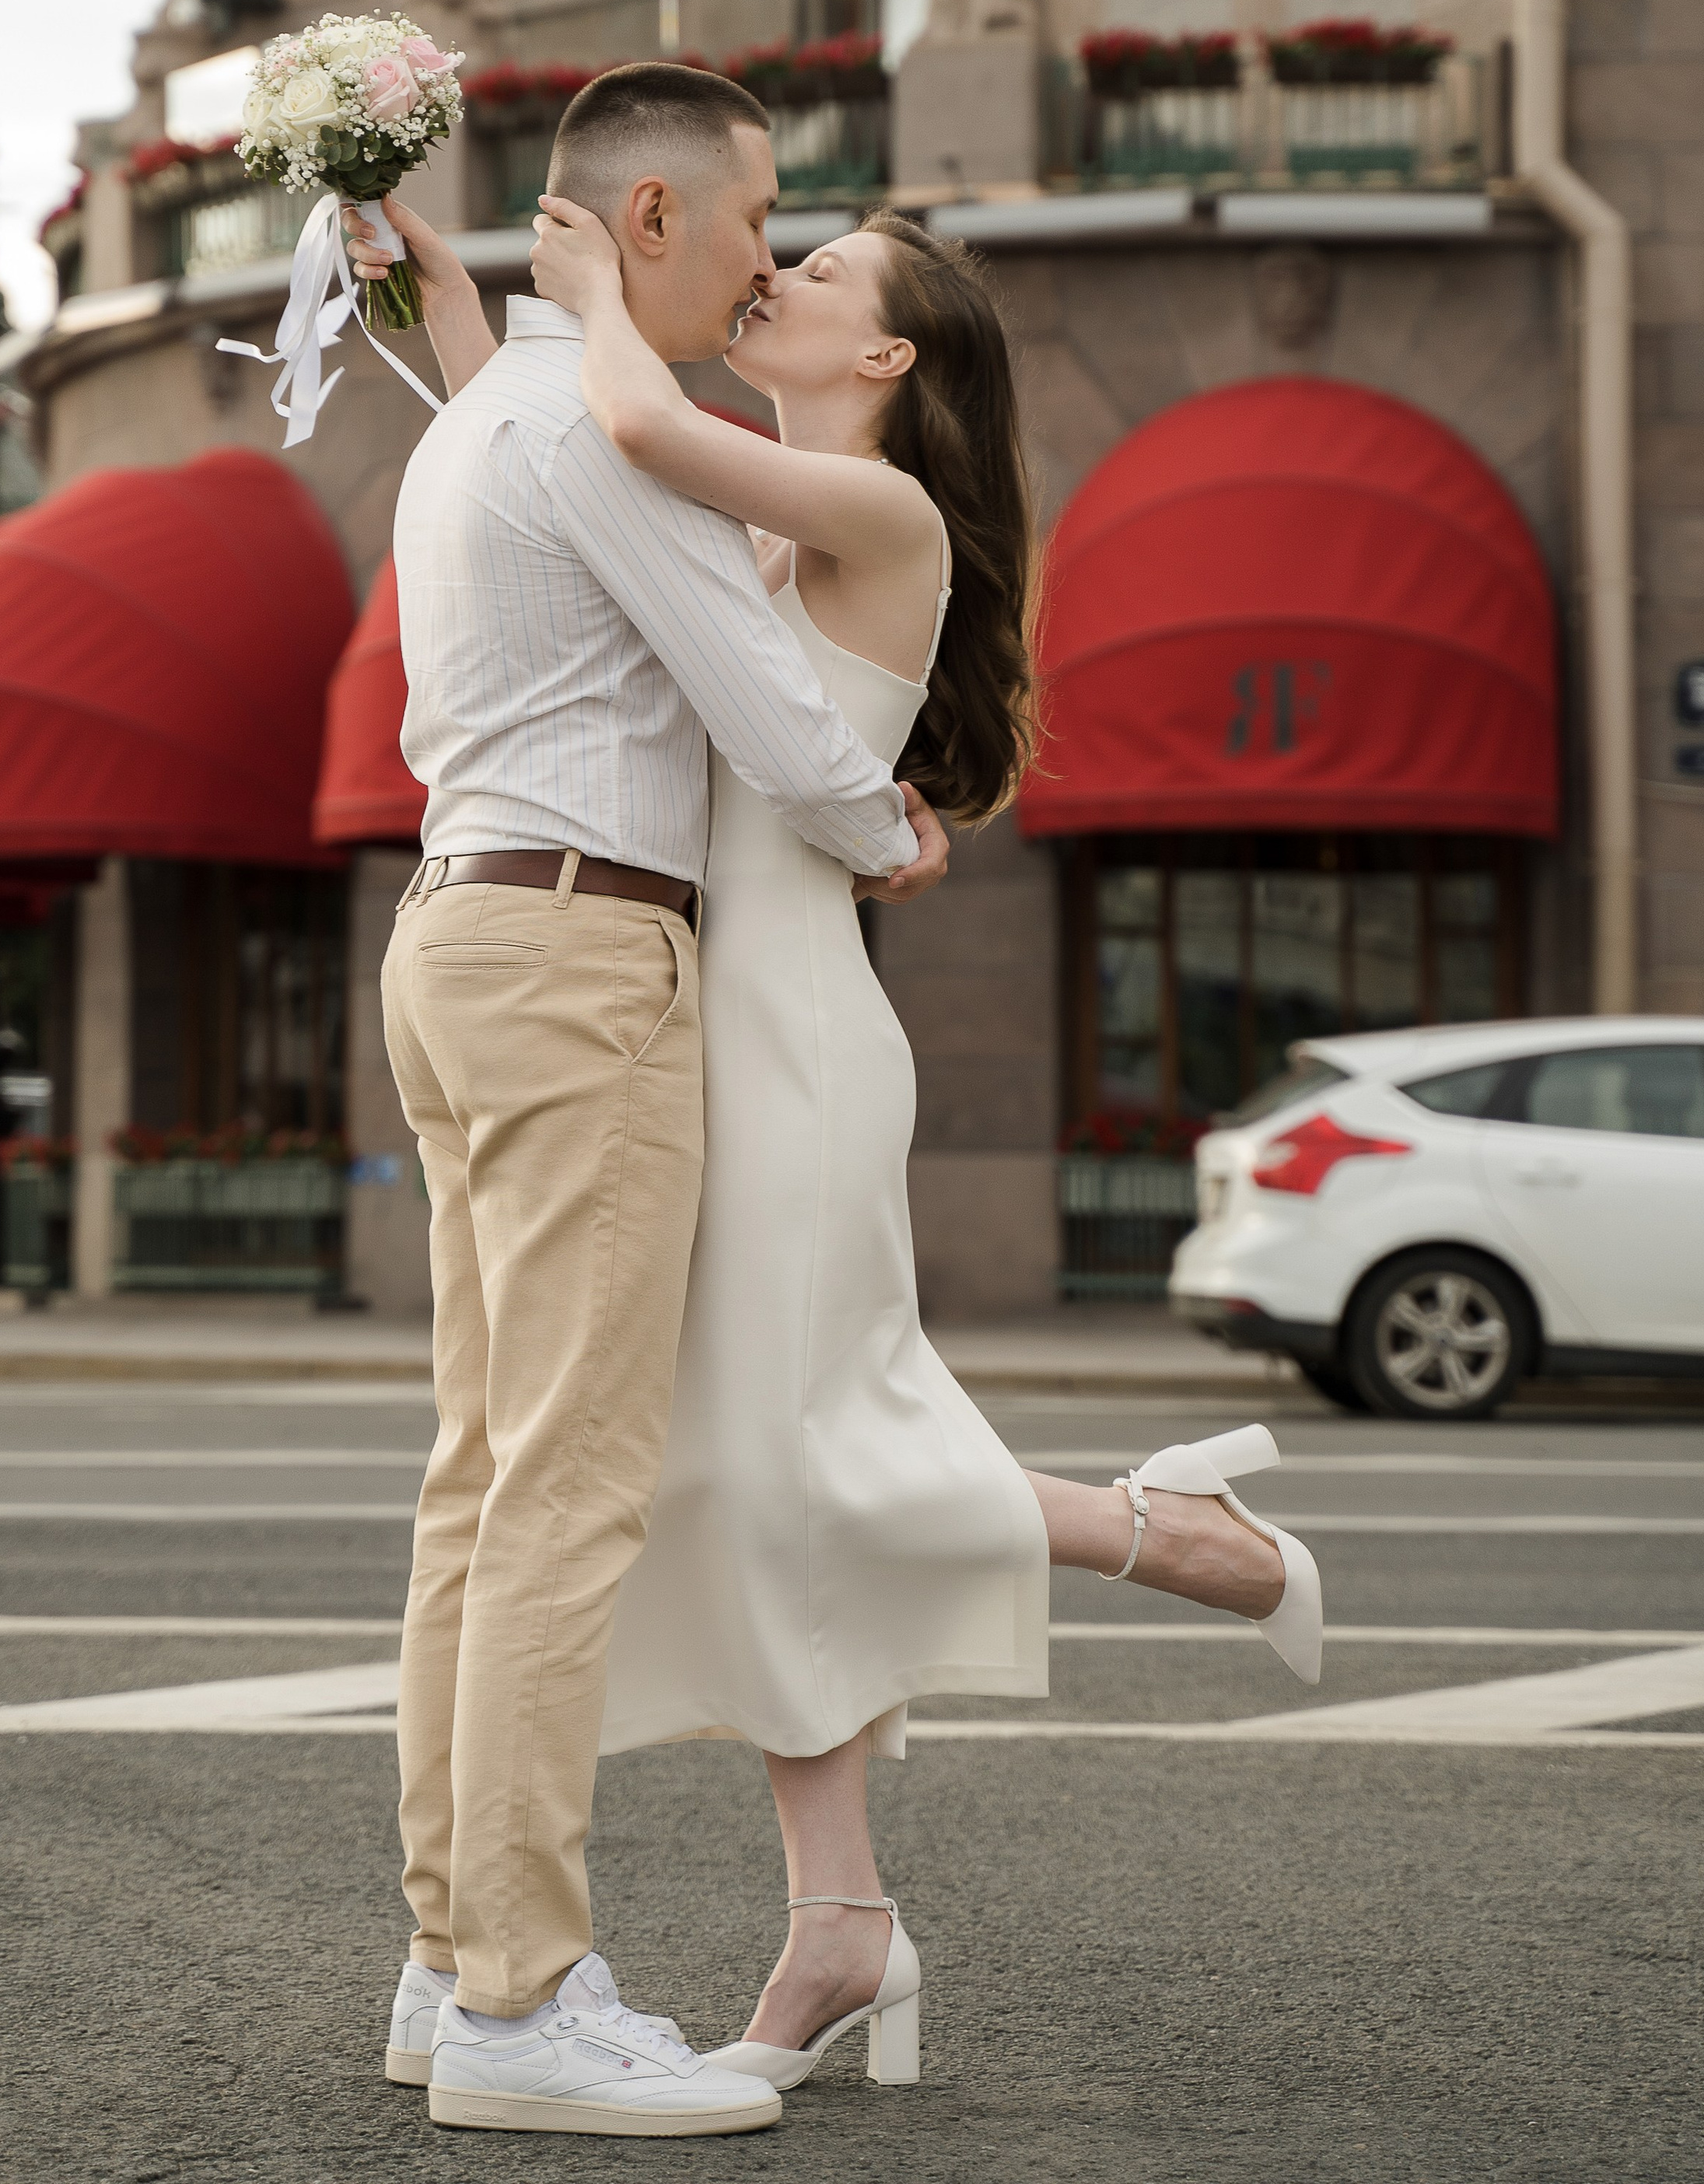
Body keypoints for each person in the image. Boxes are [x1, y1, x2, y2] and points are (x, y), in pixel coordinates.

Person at [523, 187, 1324, 2092]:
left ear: (883, 359)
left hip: (790, 1037)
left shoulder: (877, 513)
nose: (768, 281)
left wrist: (578, 292)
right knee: (741, 1474)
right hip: (708, 1024)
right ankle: (838, 1917)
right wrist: (435, 282)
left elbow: (623, 419)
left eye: (809, 277)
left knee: (809, 1452)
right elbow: (567, 443)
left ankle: (1158, 1530)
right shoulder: (753, 517)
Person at [365, 62, 953, 2140]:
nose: (760, 253)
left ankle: (460, 1964)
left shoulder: (485, 427)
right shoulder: (613, 437)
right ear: (646, 225)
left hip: (459, 938)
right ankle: (523, 2000)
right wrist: (885, 828)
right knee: (561, 1494)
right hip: (579, 959)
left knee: (479, 1482)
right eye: (752, 218)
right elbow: (773, 720)